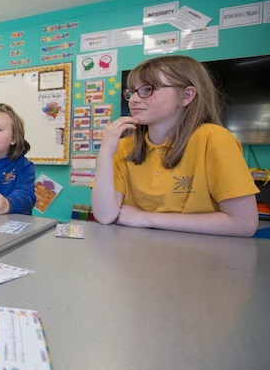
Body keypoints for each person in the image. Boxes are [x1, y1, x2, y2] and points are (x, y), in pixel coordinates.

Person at [91, 54, 259, 237]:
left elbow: (244, 224)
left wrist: (146, 218)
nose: (133, 100)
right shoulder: (123, 147)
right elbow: (105, 216)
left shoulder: (214, 138)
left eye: (148, 89)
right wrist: (106, 153)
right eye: (131, 92)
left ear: (186, 96)